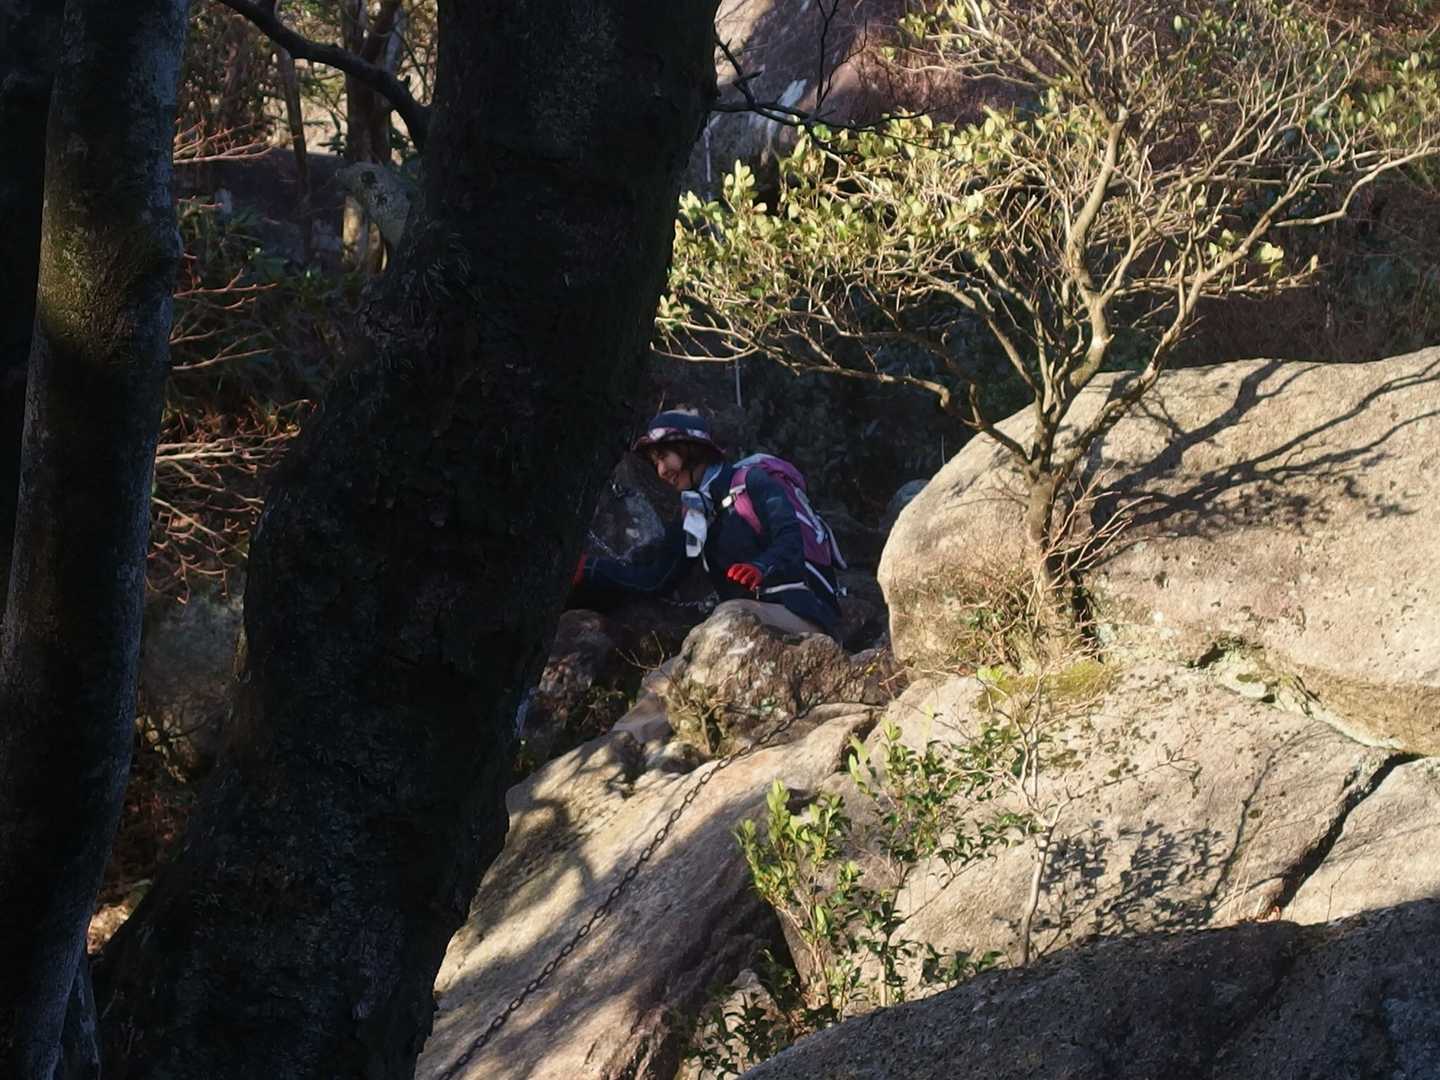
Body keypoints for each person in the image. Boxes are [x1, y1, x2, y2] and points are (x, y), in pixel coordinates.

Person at [574, 411, 842, 638]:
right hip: (746, 620)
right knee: (668, 676)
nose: (661, 471)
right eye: (656, 462)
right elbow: (657, 579)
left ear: (691, 449)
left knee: (728, 616)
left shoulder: (752, 482)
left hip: (803, 611)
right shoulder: (692, 515)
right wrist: (588, 568)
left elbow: (790, 538)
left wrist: (760, 567)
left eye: (664, 456)